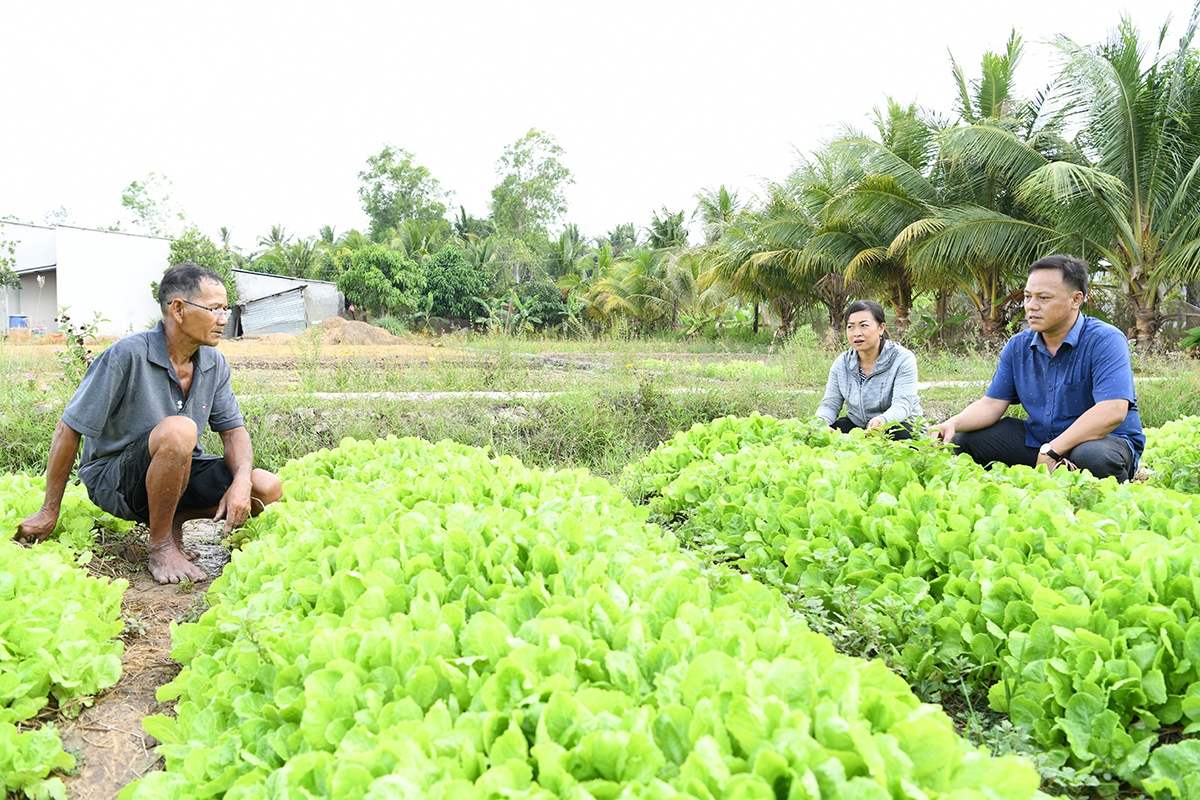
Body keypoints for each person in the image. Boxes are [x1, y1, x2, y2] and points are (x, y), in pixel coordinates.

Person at [16, 262, 283, 583]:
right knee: (179, 430)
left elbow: (233, 431)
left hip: (178, 471)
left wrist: (241, 481)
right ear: (179, 309)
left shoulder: (213, 362)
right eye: (214, 309)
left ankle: (172, 520)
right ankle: (160, 547)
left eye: (225, 309)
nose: (224, 320)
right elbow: (68, 429)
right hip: (116, 480)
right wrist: (49, 511)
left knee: (266, 488)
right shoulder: (126, 355)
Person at [930, 254, 1143, 482]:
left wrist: (1052, 450)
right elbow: (991, 404)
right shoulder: (1018, 346)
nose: (1031, 306)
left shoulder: (1105, 339)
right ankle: (1030, 482)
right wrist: (952, 423)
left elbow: (1112, 411)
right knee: (965, 439)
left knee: (1092, 457)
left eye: (1043, 298)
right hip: (1041, 440)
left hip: (1101, 441)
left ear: (1076, 299)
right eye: (1027, 296)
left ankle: (1104, 486)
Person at [816, 299, 922, 438]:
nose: (856, 333)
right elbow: (831, 403)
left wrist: (882, 421)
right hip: (859, 425)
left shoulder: (902, 359)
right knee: (834, 431)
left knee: (901, 432)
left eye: (864, 325)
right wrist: (820, 423)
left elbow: (903, 404)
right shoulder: (842, 363)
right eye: (850, 327)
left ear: (881, 328)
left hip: (895, 424)